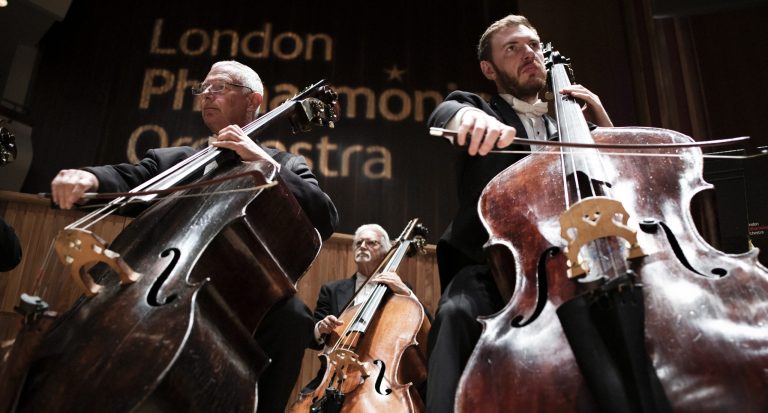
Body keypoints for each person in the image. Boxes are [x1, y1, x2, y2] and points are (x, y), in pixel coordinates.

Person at [50, 60, 339, 413]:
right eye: (203, 89)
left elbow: (323, 215)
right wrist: (90, 179)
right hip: (163, 282)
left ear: (253, 100)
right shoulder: (177, 160)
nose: (207, 96)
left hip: (245, 293)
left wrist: (263, 161)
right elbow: (130, 181)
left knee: (292, 319)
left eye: (219, 87)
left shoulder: (285, 164)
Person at [425, 14, 613, 413]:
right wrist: (467, 119)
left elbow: (616, 178)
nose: (528, 54)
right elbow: (447, 113)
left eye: (532, 45)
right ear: (489, 69)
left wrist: (598, 118)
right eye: (512, 48)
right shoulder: (480, 110)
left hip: (573, 264)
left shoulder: (570, 128)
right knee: (456, 316)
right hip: (492, 265)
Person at [309, 224, 412, 352]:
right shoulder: (331, 290)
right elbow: (312, 340)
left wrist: (405, 292)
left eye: (371, 243)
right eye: (358, 243)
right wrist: (321, 327)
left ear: (385, 253)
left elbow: (422, 323)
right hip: (335, 366)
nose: (362, 246)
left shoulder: (399, 290)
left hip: (379, 366)